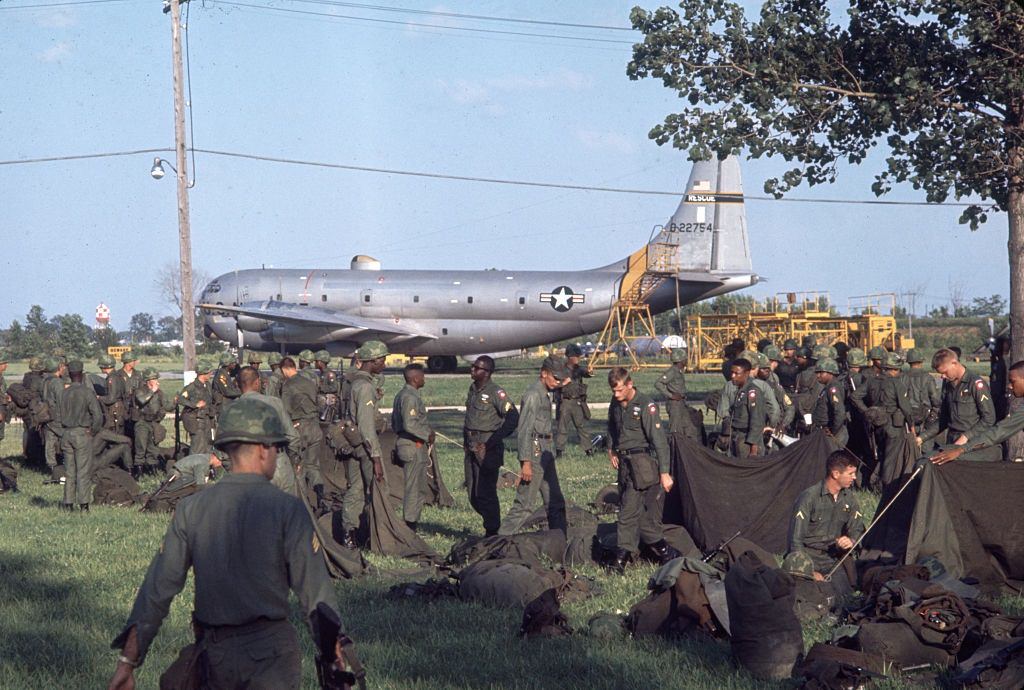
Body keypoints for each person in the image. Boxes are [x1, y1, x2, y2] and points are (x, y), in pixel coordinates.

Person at [107, 396, 358, 690]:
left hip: (215, 656)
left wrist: (128, 662)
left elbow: (157, 590)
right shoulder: (287, 509)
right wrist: (335, 657)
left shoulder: (192, 508)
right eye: (277, 448)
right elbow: (316, 597)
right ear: (265, 449)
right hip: (272, 655)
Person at [606, 367, 676, 574]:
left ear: (630, 384)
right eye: (613, 391)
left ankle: (620, 562)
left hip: (642, 464)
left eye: (619, 390)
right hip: (625, 464)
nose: (615, 395)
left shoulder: (646, 405)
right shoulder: (615, 404)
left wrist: (665, 472)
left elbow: (659, 441)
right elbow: (612, 426)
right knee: (639, 517)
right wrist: (611, 450)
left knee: (627, 513)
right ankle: (666, 553)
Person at [498, 357, 568, 536]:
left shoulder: (544, 391)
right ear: (544, 373)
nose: (558, 382)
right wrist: (526, 461)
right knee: (525, 506)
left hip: (546, 451)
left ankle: (559, 538)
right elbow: (524, 429)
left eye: (560, 379)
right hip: (535, 451)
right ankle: (498, 541)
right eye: (555, 378)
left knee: (555, 502)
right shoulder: (533, 395)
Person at [788, 450, 865, 595]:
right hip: (807, 558)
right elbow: (795, 540)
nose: (854, 477)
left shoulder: (849, 498)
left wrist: (851, 540)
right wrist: (808, 571)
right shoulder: (809, 498)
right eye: (850, 473)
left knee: (844, 597)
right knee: (813, 596)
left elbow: (857, 529)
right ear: (836, 474)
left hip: (832, 559)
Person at [463, 355, 519, 536]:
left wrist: (492, 441)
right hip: (471, 447)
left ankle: (493, 531)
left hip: (488, 448)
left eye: (476, 368)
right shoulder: (473, 389)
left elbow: (513, 417)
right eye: (472, 366)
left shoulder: (496, 392)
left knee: (486, 491)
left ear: (487, 372)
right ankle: (491, 523)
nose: (472, 370)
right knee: (473, 493)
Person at [338, 341, 388, 545]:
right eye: (382, 360)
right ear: (373, 361)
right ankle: (381, 536)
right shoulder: (365, 387)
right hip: (366, 448)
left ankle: (349, 534)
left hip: (354, 445)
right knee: (378, 489)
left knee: (355, 489)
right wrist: (375, 457)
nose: (384, 363)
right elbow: (367, 427)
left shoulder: (353, 382)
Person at [934, 359, 1024, 464]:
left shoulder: (975, 383)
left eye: (1013, 381)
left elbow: (1000, 430)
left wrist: (961, 449)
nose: (1009, 386)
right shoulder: (949, 386)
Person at [921, 348, 999, 461]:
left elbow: (989, 418)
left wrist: (966, 437)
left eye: (944, 372)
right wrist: (922, 437)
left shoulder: (976, 384)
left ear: (954, 363)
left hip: (972, 444)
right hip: (952, 441)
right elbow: (944, 419)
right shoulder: (949, 386)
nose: (942, 377)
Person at [234, 365, 299, 496]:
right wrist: (293, 462)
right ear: (257, 382)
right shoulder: (275, 402)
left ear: (237, 384)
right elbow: (293, 437)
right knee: (289, 512)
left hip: (251, 467)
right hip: (278, 462)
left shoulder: (232, 408)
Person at [392, 363, 434, 531]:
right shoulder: (410, 397)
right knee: (414, 488)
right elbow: (410, 424)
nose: (424, 379)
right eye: (422, 376)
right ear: (416, 378)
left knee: (419, 487)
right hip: (412, 445)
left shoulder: (404, 394)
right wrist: (427, 434)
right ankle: (410, 526)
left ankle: (413, 521)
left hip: (411, 444)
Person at [57, 360, 104, 512]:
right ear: (82, 374)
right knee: (83, 471)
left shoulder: (64, 393)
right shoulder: (87, 392)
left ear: (70, 375)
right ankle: (84, 505)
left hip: (66, 433)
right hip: (82, 433)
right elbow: (98, 416)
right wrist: (93, 431)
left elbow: (58, 414)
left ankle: (68, 504)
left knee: (69, 471)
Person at [281, 356, 324, 499]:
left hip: (300, 427)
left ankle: (303, 503)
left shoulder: (288, 385)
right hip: (315, 427)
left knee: (298, 467)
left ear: (284, 369)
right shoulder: (310, 382)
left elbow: (285, 411)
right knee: (313, 466)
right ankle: (321, 496)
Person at [555, 344, 595, 456]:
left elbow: (586, 373)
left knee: (581, 427)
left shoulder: (578, 369)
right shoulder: (560, 369)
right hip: (565, 402)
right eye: (576, 356)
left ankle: (589, 450)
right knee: (562, 428)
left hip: (577, 402)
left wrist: (590, 372)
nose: (578, 358)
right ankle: (559, 451)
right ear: (569, 357)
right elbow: (554, 385)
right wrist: (564, 383)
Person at [725, 358, 768, 458]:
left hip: (748, 442)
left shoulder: (753, 392)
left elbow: (757, 421)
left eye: (737, 373)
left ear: (746, 373)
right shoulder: (741, 391)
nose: (732, 376)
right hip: (738, 438)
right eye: (732, 372)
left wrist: (753, 450)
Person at [134, 368, 174, 472]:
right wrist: (152, 391)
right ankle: (139, 470)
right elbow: (141, 400)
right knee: (141, 446)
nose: (157, 381)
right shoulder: (140, 391)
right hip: (142, 422)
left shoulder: (160, 393)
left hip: (154, 423)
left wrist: (175, 402)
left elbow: (167, 406)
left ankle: (152, 469)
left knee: (153, 448)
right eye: (155, 379)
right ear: (149, 380)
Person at [655, 348, 697, 439]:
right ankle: (674, 450)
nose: (686, 361)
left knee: (690, 429)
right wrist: (671, 395)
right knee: (676, 431)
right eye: (685, 359)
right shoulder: (672, 372)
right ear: (681, 361)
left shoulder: (679, 372)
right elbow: (658, 383)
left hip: (681, 403)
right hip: (675, 405)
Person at [177, 361, 215, 454]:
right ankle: (192, 466)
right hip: (196, 420)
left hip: (206, 419)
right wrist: (195, 404)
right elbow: (180, 399)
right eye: (209, 372)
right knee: (198, 446)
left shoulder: (208, 385)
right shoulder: (192, 387)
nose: (211, 374)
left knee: (208, 444)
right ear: (203, 373)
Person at [811, 358, 848, 447]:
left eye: (821, 372)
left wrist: (832, 431)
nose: (818, 375)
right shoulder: (827, 387)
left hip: (834, 434)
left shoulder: (833, 388)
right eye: (817, 373)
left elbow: (839, 412)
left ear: (830, 373)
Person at [211, 352, 241, 416]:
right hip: (222, 408)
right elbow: (227, 391)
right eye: (233, 363)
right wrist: (241, 392)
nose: (235, 364)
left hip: (227, 405)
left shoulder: (226, 374)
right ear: (228, 364)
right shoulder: (221, 375)